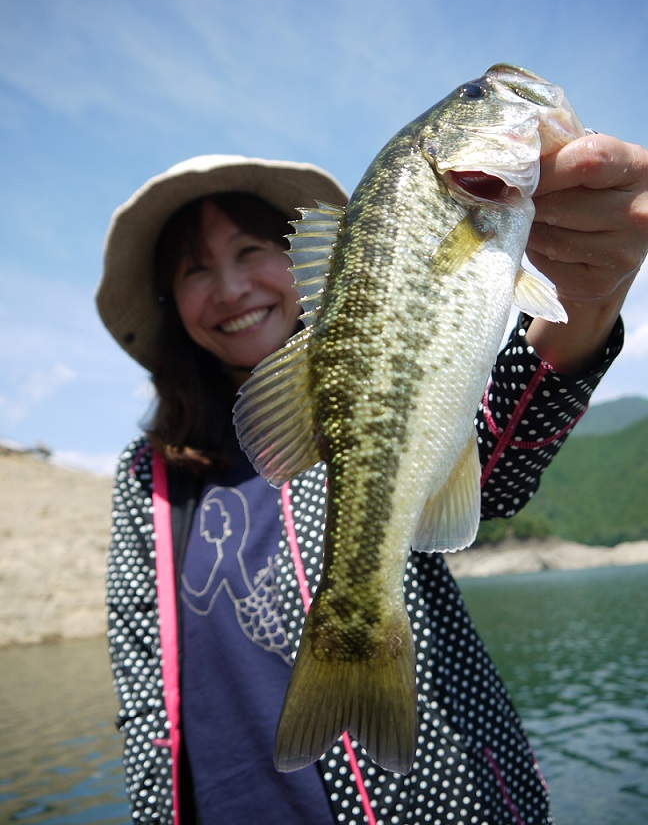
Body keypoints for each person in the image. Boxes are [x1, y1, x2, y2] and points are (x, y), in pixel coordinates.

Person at [96, 140, 647, 824]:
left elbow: (498, 459)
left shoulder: (384, 390)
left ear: (309, 261)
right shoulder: (145, 477)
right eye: (194, 269)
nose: (231, 288)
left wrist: (588, 302)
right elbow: (142, 675)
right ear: (168, 301)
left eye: (249, 251)